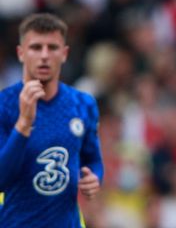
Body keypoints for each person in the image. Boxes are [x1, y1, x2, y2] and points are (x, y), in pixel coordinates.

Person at [0, 13, 103, 227]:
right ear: (21, 53)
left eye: (53, 47)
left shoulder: (84, 104)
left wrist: (95, 178)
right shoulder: (4, 105)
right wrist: (24, 124)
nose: (45, 55)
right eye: (36, 47)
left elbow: (92, 159)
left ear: (64, 53)